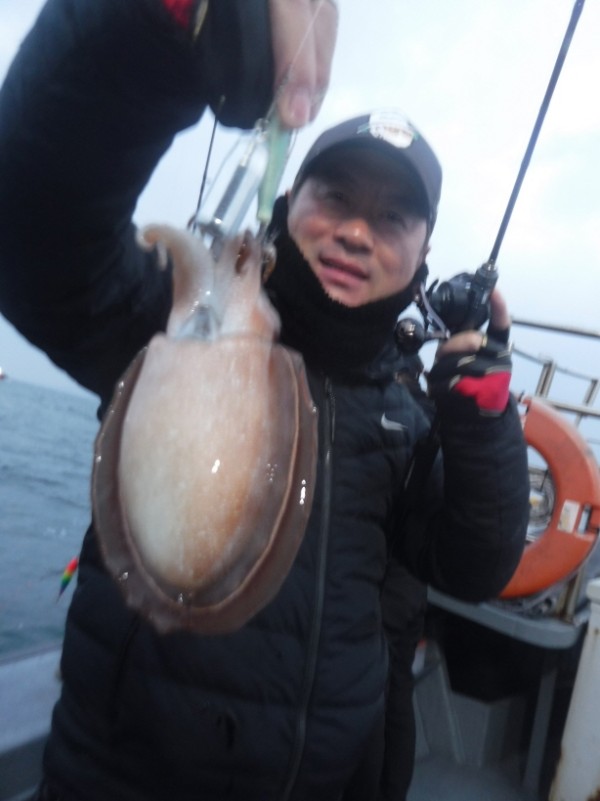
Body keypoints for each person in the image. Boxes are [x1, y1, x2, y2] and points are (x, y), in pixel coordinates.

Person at [0, 3, 530, 800]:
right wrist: (164, 22)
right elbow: (33, 223)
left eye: (393, 218)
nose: (357, 232)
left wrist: (482, 419)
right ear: (289, 202)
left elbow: (474, 564)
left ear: (423, 250)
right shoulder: (175, 326)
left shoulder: (408, 411)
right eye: (335, 197)